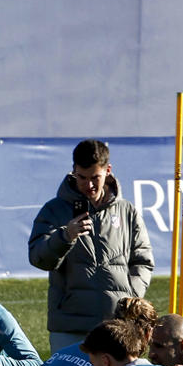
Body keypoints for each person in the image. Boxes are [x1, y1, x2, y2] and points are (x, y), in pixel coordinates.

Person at [28, 139, 154, 351]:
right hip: (70, 326)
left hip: (117, 324)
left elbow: (143, 260)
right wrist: (65, 236)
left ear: (108, 170)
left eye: (95, 177)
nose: (89, 185)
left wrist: (131, 295)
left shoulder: (127, 211)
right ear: (73, 171)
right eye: (82, 178)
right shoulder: (54, 210)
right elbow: (38, 258)